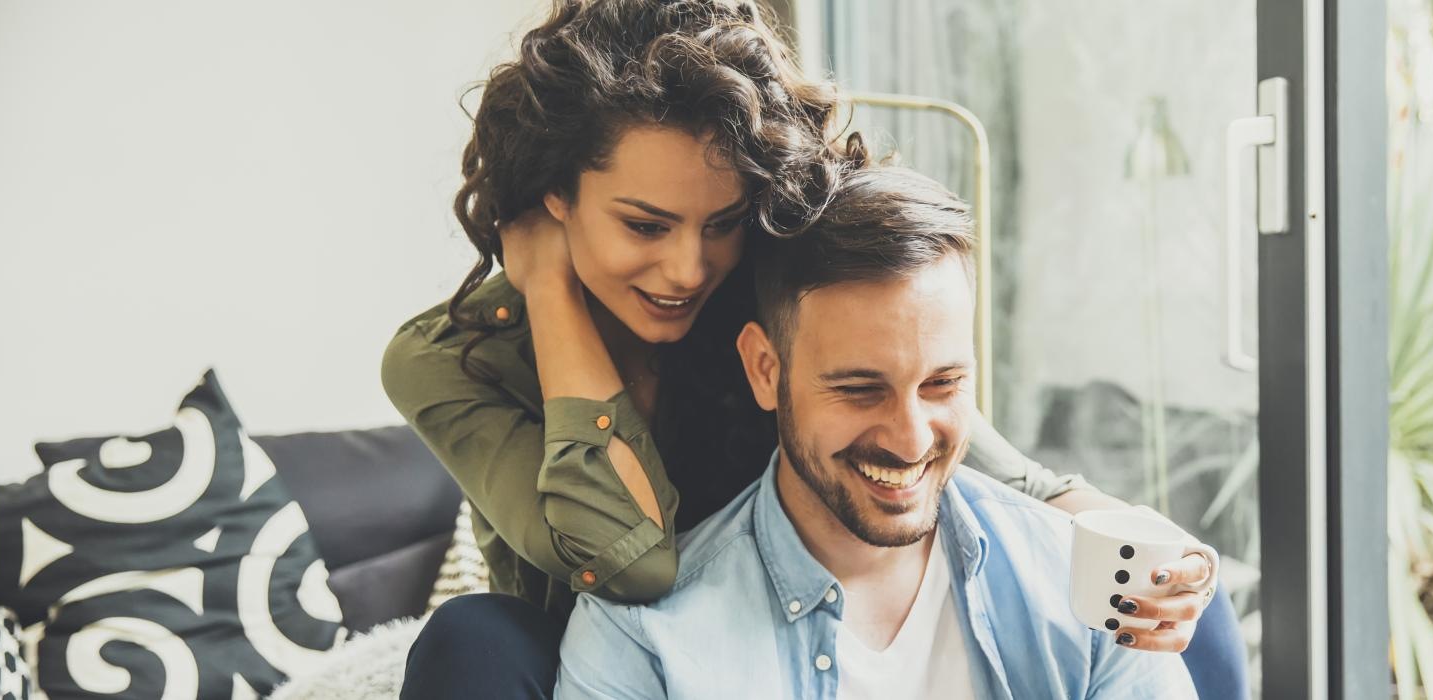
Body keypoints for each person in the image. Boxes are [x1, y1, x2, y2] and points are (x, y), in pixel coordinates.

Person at [380, 1, 1238, 696]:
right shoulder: (449, 360)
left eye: (719, 223)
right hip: (606, 643)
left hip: (787, 617)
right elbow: (626, 566)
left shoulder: (755, 281)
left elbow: (991, 470)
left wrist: (1169, 563)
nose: (688, 268)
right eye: (644, 225)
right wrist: (549, 294)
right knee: (470, 642)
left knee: (1178, 603)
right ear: (555, 197)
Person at [557, 164, 1199, 699]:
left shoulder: (1085, 587)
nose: (911, 437)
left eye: (943, 384)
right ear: (764, 370)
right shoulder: (642, 636)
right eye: (860, 389)